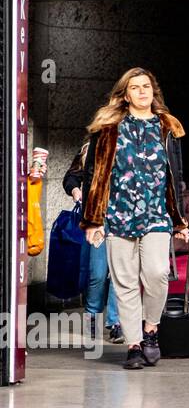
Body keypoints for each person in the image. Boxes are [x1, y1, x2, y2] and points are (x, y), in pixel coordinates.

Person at [79, 68, 189, 370]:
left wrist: (179, 220)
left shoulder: (167, 127)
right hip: (117, 214)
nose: (142, 91)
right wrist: (93, 220)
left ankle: (150, 329)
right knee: (124, 282)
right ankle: (134, 345)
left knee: (156, 273)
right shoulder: (108, 126)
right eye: (135, 87)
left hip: (156, 215)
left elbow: (175, 176)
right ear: (125, 95)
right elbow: (94, 176)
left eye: (147, 86)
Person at [62, 141, 124, 344]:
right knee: (97, 273)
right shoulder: (91, 147)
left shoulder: (129, 145)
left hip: (123, 220)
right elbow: (71, 177)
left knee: (119, 274)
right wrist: (76, 191)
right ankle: (92, 319)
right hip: (98, 220)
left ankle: (116, 323)